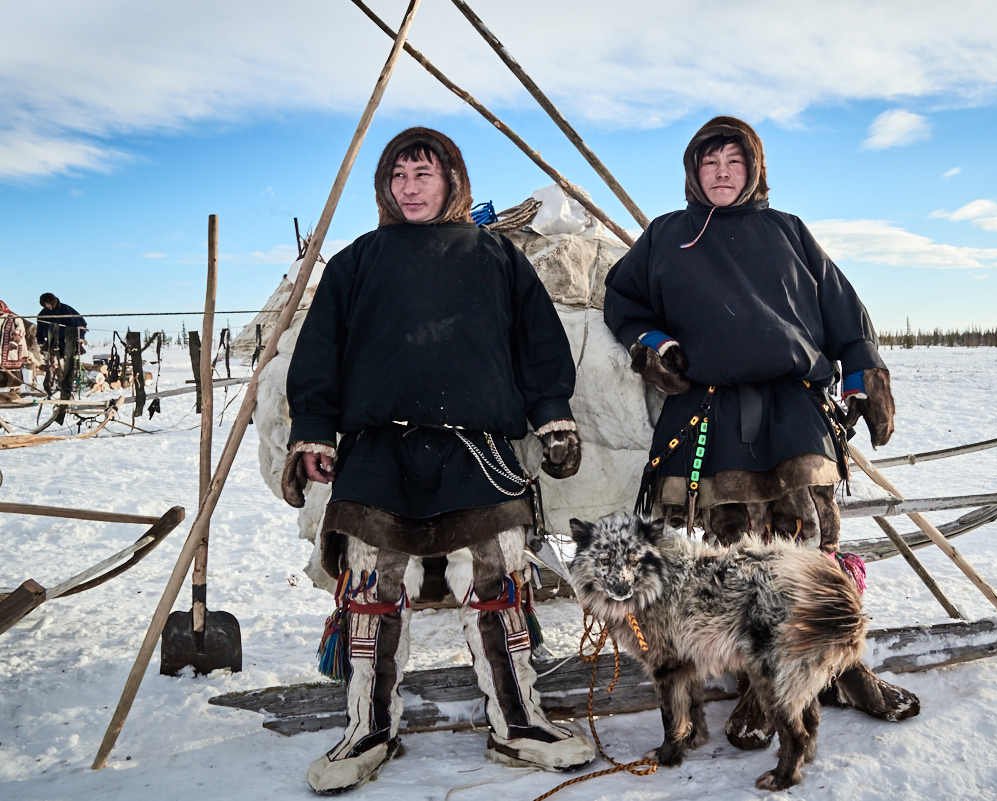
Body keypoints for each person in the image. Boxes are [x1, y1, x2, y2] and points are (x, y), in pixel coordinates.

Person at [283, 127, 596, 794]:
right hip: (376, 451)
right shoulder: (355, 262)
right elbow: (317, 357)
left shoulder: (497, 257)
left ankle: (518, 723)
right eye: (398, 176)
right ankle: (368, 727)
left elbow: (540, 344)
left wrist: (553, 417)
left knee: (499, 583)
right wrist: (314, 432)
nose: (410, 186)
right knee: (367, 592)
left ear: (453, 180)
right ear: (384, 188)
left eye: (424, 173)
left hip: (475, 450)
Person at [603, 116, 919, 750]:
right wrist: (655, 345)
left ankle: (832, 666)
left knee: (809, 547)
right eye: (709, 163)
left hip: (790, 407)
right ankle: (756, 681)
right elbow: (623, 304)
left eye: (734, 163)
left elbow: (842, 311)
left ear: (754, 172)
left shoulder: (788, 232)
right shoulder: (667, 235)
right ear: (693, 173)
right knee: (733, 556)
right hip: (708, 414)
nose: (722, 173)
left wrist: (865, 373)